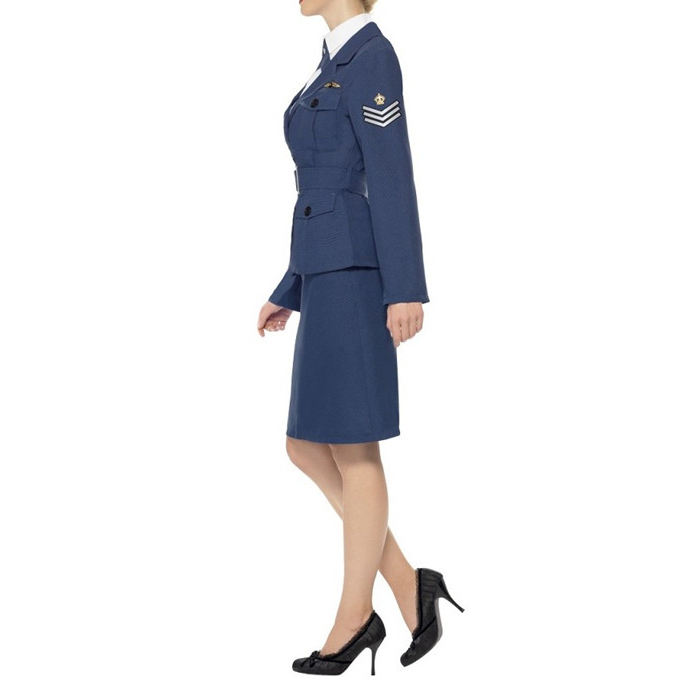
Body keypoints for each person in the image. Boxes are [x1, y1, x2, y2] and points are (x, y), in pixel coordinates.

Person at [256, 0, 464, 675]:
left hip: (355, 278)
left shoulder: (372, 57)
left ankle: (353, 620)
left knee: (353, 449)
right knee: (303, 445)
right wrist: (290, 286)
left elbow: (391, 174)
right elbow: (320, 191)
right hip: (324, 276)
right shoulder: (329, 66)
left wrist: (405, 287)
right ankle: (407, 583)